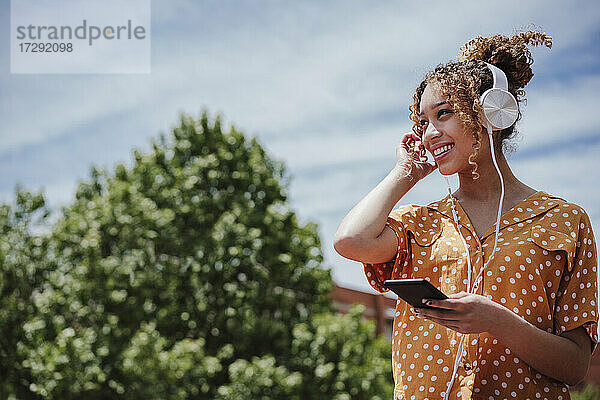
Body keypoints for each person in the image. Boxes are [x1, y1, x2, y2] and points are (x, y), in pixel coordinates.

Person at [334, 31, 598, 399]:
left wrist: (495, 319)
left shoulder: (566, 221)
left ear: (493, 114)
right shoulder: (419, 222)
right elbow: (350, 240)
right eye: (422, 122)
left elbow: (574, 366)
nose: (429, 134)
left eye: (444, 114)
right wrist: (404, 173)